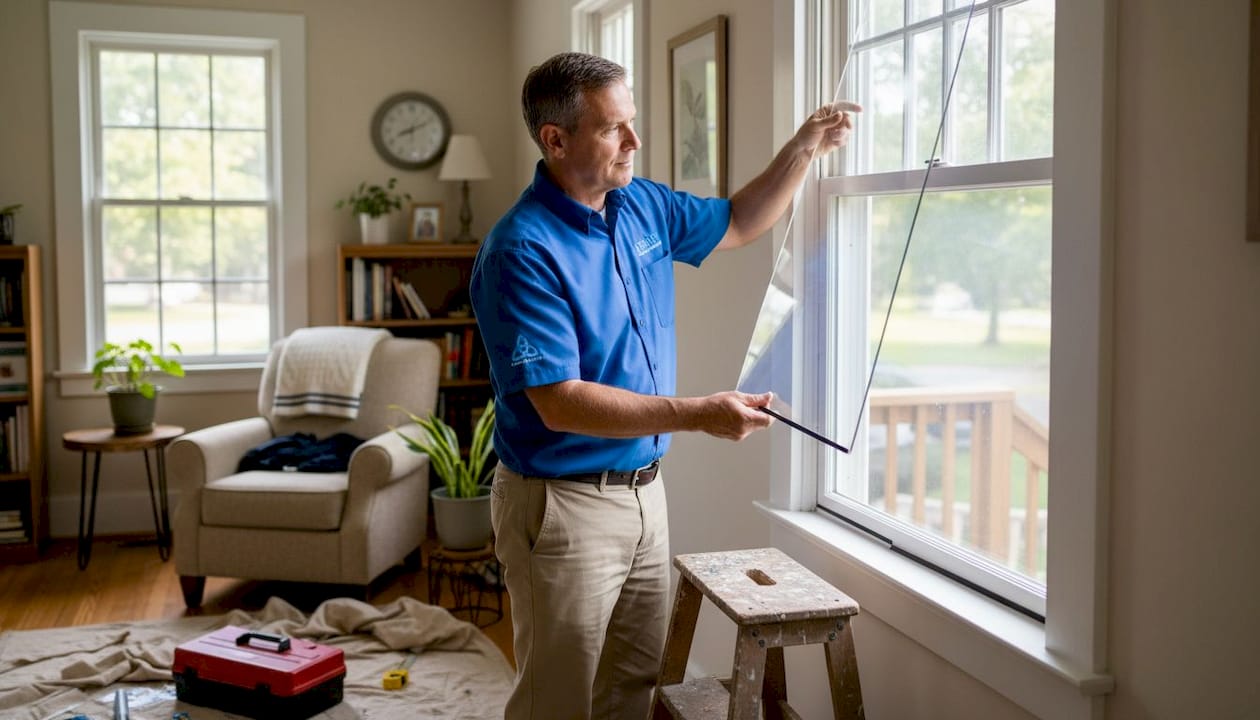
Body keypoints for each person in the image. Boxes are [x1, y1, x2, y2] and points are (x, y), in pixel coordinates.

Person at [469, 52, 858, 720]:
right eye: (614, 128)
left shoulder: (641, 204)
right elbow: (559, 402)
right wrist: (697, 414)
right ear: (555, 140)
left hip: (646, 496)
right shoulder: (519, 250)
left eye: (634, 123)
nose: (635, 142)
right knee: (555, 701)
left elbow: (737, 222)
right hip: (563, 506)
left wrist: (802, 150)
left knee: (632, 687)